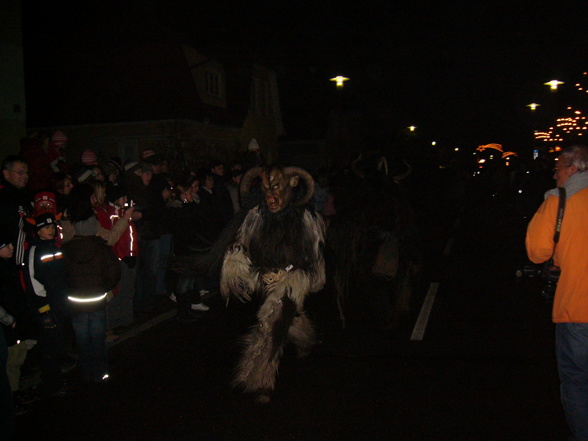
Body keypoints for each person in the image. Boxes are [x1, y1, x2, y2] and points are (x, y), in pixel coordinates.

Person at [526, 144, 588, 441]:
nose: (554, 174)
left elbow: (538, 252)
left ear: (574, 168)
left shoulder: (559, 200)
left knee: (577, 381)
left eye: (559, 168)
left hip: (578, 309)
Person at [61, 184, 121, 385]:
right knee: (97, 336)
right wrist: (105, 286)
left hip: (76, 300)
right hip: (96, 298)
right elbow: (114, 270)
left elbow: (62, 274)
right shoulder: (101, 247)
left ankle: (85, 372)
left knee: (81, 337)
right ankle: (101, 371)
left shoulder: (66, 250)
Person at [22, 213, 69, 398]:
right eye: (47, 228)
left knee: (57, 343)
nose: (51, 230)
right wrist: (44, 310)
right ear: (38, 230)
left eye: (52, 227)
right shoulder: (35, 250)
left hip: (59, 304)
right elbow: (34, 284)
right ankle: (52, 384)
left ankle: (57, 377)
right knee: (49, 346)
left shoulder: (54, 247)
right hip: (47, 307)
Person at [95, 183, 138, 336]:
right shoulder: (111, 214)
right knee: (117, 292)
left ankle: (127, 319)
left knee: (128, 290)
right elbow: (115, 237)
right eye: (122, 197)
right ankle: (114, 322)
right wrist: (122, 256)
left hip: (128, 256)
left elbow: (131, 235)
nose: (125, 200)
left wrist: (132, 254)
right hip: (119, 259)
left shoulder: (123, 212)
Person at [0, 155, 32, 266]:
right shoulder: (3, 196)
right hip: (8, 259)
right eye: (20, 173)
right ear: (6, 173)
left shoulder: (24, 195)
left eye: (27, 173)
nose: (25, 176)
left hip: (24, 257)